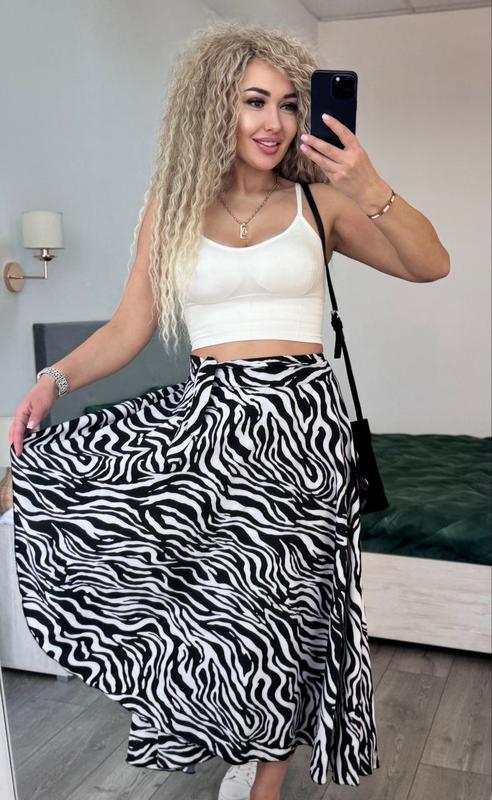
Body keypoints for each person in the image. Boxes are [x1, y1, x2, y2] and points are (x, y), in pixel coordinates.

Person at [8, 19, 450, 800]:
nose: (273, 121)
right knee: (228, 611)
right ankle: (234, 734)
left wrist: (367, 185)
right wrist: (54, 379)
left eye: (287, 103)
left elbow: (431, 263)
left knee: (292, 615)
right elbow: (128, 328)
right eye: (254, 101)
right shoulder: (173, 208)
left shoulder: (320, 204)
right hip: (212, 429)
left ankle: (264, 780)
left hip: (305, 436)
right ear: (216, 106)